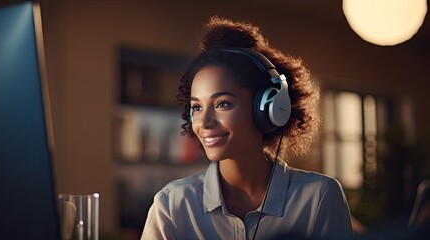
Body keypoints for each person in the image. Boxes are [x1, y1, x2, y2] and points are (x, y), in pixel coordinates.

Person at [141, 16, 353, 239]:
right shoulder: (172, 205)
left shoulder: (319, 197)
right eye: (196, 107)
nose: (204, 122)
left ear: (267, 107)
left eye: (223, 104)